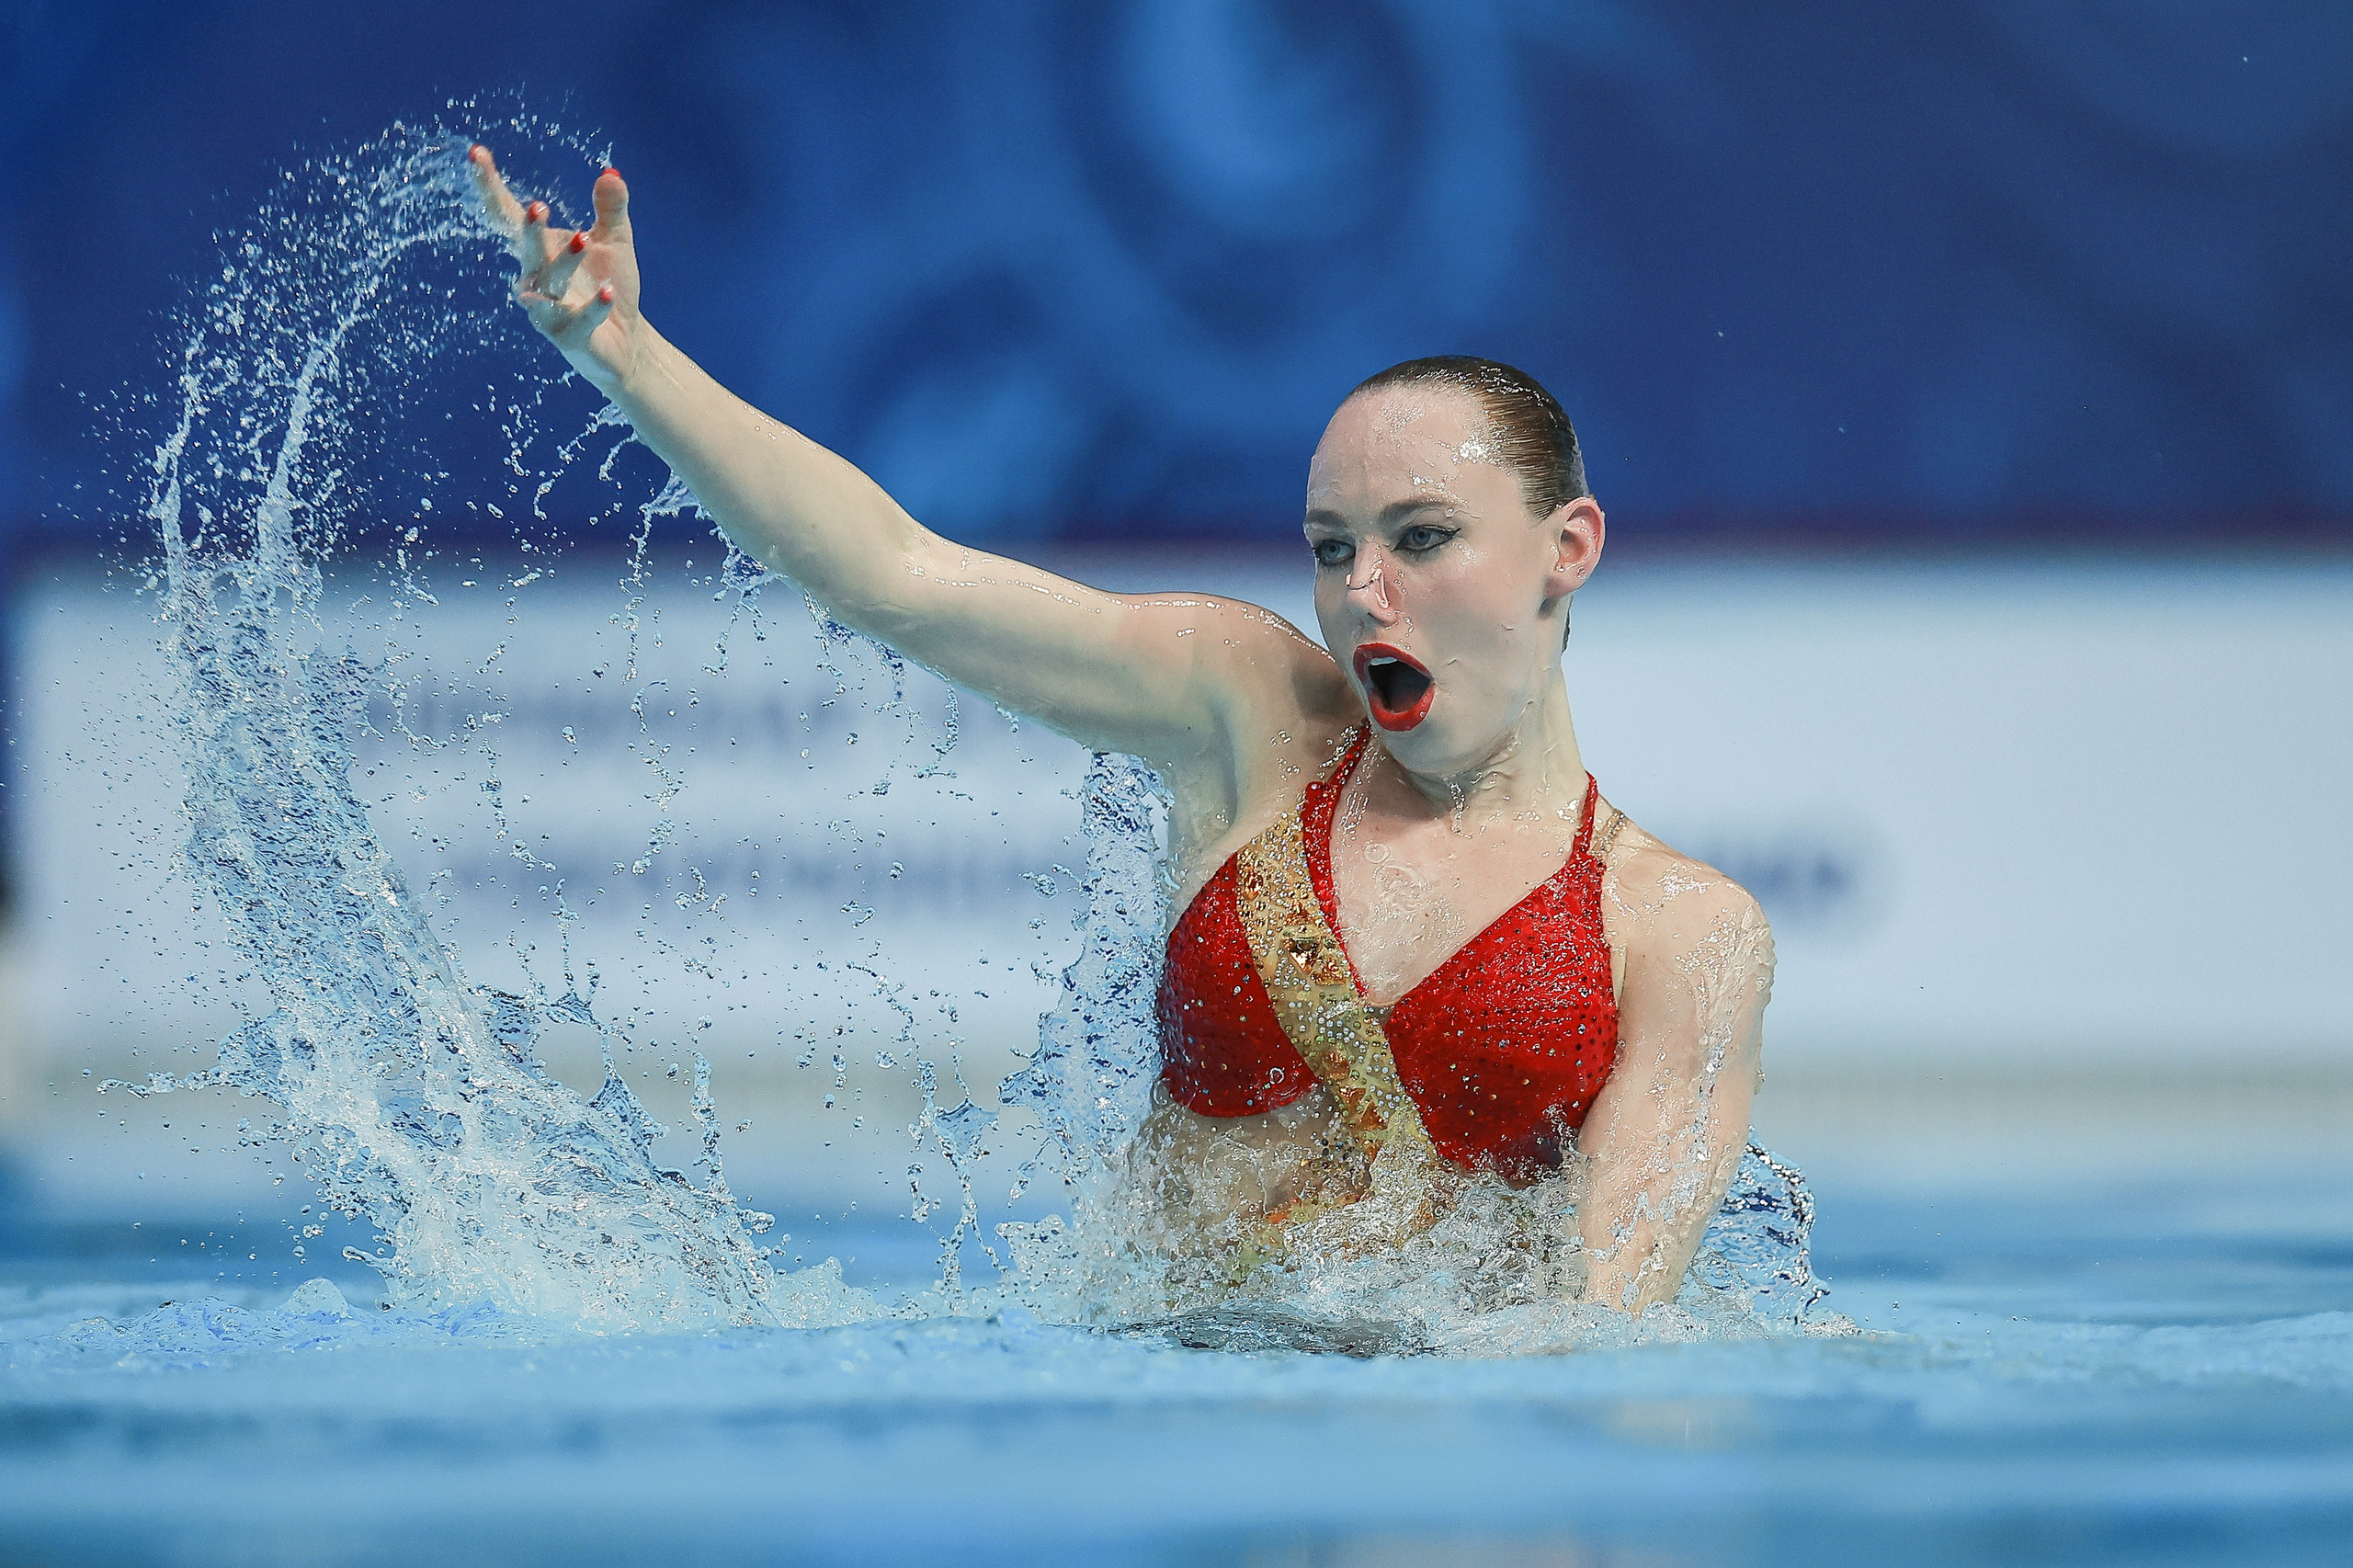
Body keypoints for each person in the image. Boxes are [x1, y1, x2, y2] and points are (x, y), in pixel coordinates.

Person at [471, 151, 1774, 1314]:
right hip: (1147, 1409)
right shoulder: (1250, 714)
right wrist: (626, 359)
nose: (1361, 591)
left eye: (1422, 537)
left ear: (1570, 548)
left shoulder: (1681, 933)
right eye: (1332, 549)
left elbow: (1599, 1325)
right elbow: (898, 572)